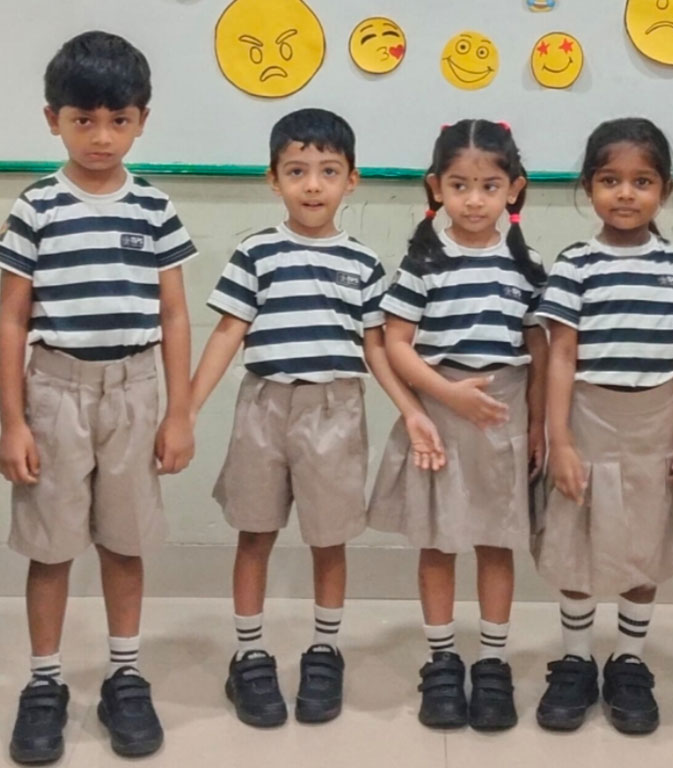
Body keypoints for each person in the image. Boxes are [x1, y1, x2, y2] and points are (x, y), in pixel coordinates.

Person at [189, 108, 444, 729]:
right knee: (254, 533)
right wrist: (185, 409)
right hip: (264, 406)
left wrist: (412, 410)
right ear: (273, 179)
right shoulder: (256, 251)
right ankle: (249, 654)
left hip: (335, 411)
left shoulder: (361, 262)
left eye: (328, 171)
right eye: (297, 171)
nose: (312, 185)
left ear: (351, 180)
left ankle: (325, 651)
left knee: (330, 538)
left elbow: (377, 348)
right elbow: (227, 332)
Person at [0, 31, 196, 761]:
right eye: (84, 120)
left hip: (135, 391)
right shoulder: (36, 207)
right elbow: (11, 317)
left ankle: (125, 675)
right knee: (49, 548)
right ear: (53, 120)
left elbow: (175, 314)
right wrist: (12, 421)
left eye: (119, 120)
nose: (102, 137)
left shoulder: (154, 207)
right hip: (54, 389)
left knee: (125, 541)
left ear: (142, 120)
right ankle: (45, 682)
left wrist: (179, 411)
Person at [369, 119, 547, 731]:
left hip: (504, 413)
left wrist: (539, 426)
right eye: (460, 186)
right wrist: (446, 394)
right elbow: (396, 343)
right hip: (440, 414)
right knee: (438, 542)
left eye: (489, 186)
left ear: (513, 189)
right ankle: (442, 661)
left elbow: (540, 349)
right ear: (436, 187)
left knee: (497, 541)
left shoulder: (528, 265)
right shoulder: (423, 262)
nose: (474, 200)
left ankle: (492, 663)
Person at [531, 117, 673, 735]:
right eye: (610, 180)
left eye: (642, 181)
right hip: (589, 419)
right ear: (589, 186)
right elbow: (561, 355)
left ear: (664, 190)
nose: (625, 193)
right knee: (576, 541)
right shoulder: (576, 264)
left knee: (644, 544)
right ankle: (575, 661)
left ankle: (629, 661)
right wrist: (560, 440)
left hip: (656, 422)